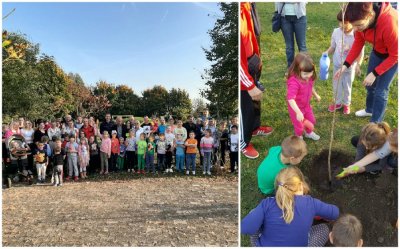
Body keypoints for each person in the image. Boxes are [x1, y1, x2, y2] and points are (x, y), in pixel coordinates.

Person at [241, 166, 339, 246]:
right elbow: (334, 213)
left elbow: (246, 228)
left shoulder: (266, 204)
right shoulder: (311, 203)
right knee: (324, 229)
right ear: (301, 185)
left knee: (253, 214)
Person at [334, 2, 398, 122]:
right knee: (370, 85)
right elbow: (358, 42)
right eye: (354, 26)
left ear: (369, 16)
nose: (356, 29)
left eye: (358, 26)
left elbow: (395, 55)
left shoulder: (389, 22)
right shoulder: (360, 22)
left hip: (393, 56)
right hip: (378, 52)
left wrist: (374, 73)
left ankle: (375, 123)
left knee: (381, 91)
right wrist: (345, 65)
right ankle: (370, 109)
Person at [240, 2, 273, 159]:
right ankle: (243, 142)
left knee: (255, 99)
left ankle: (254, 127)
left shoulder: (247, 6)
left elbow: (252, 35)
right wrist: (248, 84)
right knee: (245, 106)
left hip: (252, 63)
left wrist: (256, 59)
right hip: (243, 74)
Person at [323, 10, 364, 114]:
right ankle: (338, 102)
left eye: (345, 22)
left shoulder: (357, 35)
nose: (342, 25)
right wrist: (327, 52)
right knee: (336, 85)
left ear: (352, 22)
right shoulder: (336, 32)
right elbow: (333, 46)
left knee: (347, 86)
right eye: (340, 22)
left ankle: (346, 103)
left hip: (349, 68)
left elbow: (360, 52)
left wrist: (358, 64)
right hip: (337, 65)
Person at [287, 52, 321, 140]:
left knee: (312, 121)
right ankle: (299, 137)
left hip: (306, 106)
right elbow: (290, 99)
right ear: (298, 70)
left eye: (310, 73)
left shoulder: (309, 77)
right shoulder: (294, 82)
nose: (309, 76)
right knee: (299, 126)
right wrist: (298, 112)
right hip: (296, 109)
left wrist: (316, 95)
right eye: (305, 74)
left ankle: (308, 133)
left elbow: (311, 87)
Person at [275, 2, 308, 69]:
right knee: (289, 47)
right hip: (284, 17)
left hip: (300, 17)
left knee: (302, 46)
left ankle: (304, 68)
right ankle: (291, 68)